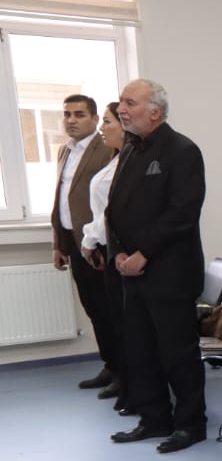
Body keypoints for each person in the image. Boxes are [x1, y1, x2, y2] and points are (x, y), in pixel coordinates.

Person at [107, 79, 208, 453]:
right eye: (121, 102)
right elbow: (113, 209)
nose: (122, 109)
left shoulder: (182, 151)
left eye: (129, 102)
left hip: (170, 273)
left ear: (155, 110)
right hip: (131, 270)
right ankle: (154, 418)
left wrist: (144, 253)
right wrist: (118, 252)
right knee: (141, 350)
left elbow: (182, 213)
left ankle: (190, 424)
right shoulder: (130, 149)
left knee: (177, 353)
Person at [51, 94, 117, 394]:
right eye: (67, 114)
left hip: (98, 244)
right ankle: (110, 364)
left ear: (94, 119)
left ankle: (124, 372)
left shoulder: (107, 149)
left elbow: (109, 202)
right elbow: (61, 200)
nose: (71, 120)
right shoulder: (64, 150)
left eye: (79, 114)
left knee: (109, 309)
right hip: (74, 242)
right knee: (93, 308)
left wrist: (98, 245)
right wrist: (59, 244)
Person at [80, 102, 130, 414]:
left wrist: (89, 239)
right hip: (106, 247)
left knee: (121, 322)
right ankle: (120, 373)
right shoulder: (115, 159)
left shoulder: (128, 163)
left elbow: (111, 213)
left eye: (108, 121)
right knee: (109, 317)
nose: (103, 128)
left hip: (118, 249)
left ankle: (128, 380)